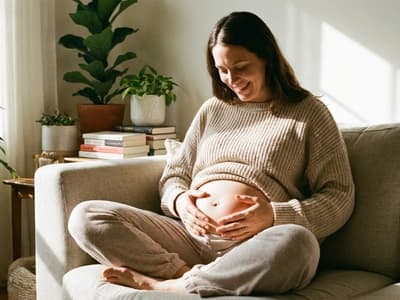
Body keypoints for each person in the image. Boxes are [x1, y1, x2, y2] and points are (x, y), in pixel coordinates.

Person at [68, 11, 354, 296]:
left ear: (267, 58)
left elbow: (339, 196)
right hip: (189, 238)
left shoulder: (308, 113)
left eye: (241, 67)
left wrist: (274, 216)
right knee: (86, 217)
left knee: (300, 244)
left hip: (255, 244)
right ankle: (182, 276)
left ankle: (169, 286)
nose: (231, 78)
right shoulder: (213, 109)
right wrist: (180, 202)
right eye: (222, 70)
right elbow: (175, 174)